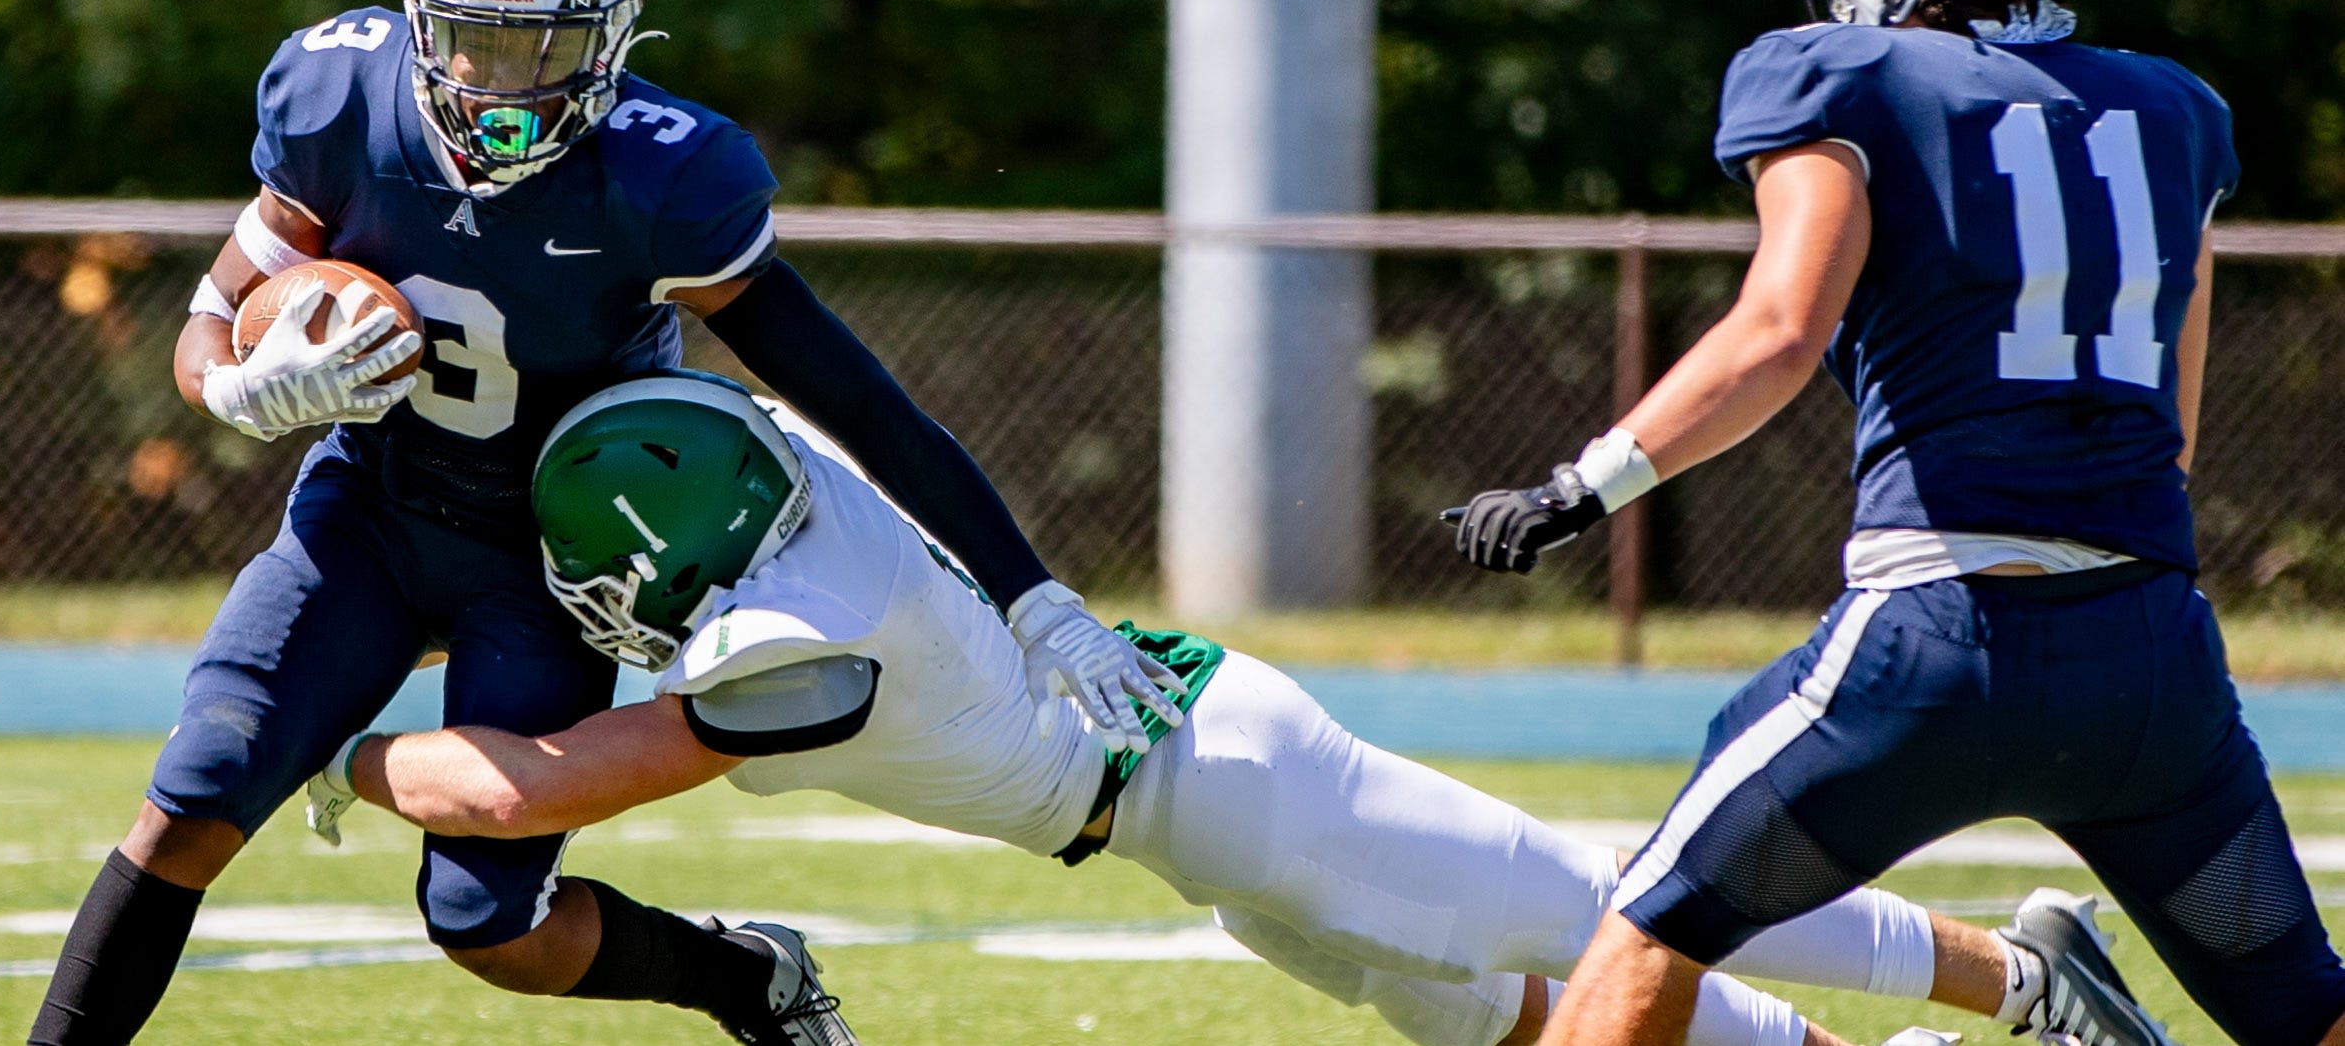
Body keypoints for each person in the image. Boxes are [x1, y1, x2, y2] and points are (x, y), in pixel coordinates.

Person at [26, 0, 1182, 1046]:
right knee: (198, 794)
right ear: (424, 16)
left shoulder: (664, 175)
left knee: (489, 927)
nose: (499, 85)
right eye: (472, 41)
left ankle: (741, 977)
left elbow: (860, 402)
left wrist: (1033, 598)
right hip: (370, 508)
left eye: (542, 49)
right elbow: (209, 319)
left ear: (615, 37)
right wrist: (233, 387)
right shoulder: (336, 95)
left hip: (552, 554)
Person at [310, 370, 2139, 1046]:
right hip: (1191, 798)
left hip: (1227, 787)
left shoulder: (772, 657)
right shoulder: (794, 473)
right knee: (1471, 1009)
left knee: (1621, 916)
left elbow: (526, 790)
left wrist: (344, 743)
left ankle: (2014, 973)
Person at [1445, 0, 2345, 1046]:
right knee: (2302, 1009)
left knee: (1649, 930)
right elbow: (2175, 432)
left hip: (1933, 648)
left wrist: (1582, 485)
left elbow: (1775, 328)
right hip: (2151, 669)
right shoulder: (2174, 113)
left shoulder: (1843, 79)